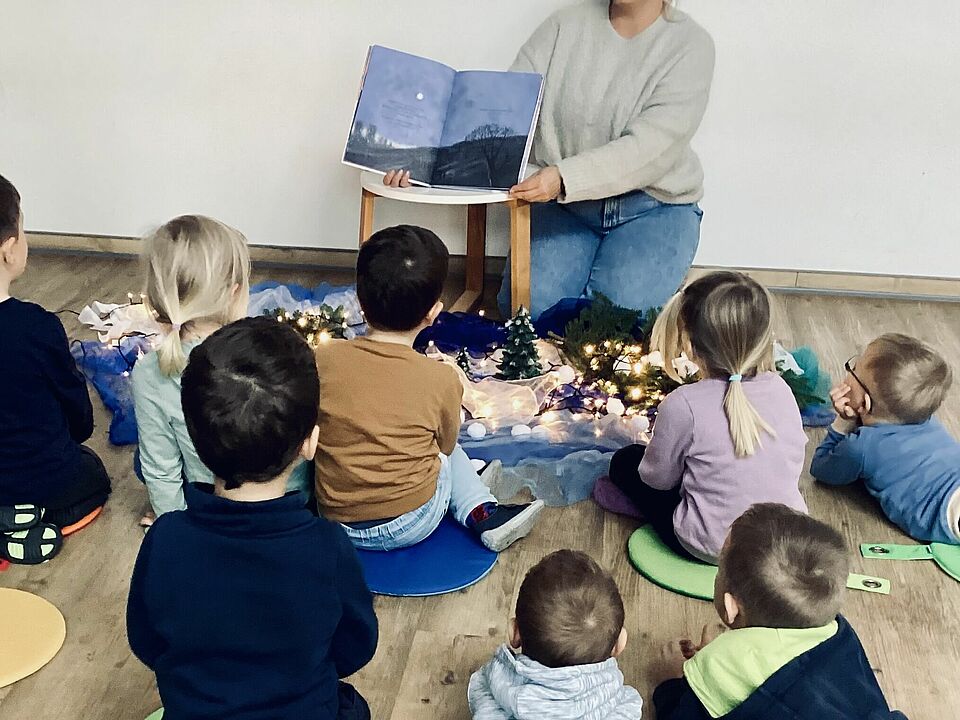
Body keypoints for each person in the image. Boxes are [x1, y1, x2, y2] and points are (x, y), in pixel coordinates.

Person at [386, 0, 715, 320]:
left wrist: (561, 177)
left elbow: (651, 147)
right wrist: (425, 161)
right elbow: (506, 111)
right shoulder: (563, 27)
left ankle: (656, 287)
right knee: (526, 312)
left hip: (652, 208)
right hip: (565, 208)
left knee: (616, 328)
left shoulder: (691, 45)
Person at [127, 317, 378, 720]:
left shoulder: (165, 538)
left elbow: (146, 641)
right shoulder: (326, 546)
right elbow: (356, 647)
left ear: (194, 439)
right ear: (310, 443)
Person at [314, 225, 543, 552]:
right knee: (446, 449)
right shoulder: (439, 379)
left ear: (360, 301)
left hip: (334, 521)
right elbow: (445, 446)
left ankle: (466, 489)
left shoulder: (325, 356)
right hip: (410, 521)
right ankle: (481, 509)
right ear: (434, 313)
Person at [606, 271, 807, 563]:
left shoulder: (682, 404)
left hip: (710, 546)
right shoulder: (781, 389)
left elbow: (656, 480)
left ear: (688, 343)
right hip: (782, 541)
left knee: (624, 461)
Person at [652, 503, 907, 719]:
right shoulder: (838, 633)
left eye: (720, 570)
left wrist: (670, 682)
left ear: (731, 608)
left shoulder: (719, 664)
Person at [0, 173, 110, 564]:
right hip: (43, 476)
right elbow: (78, 418)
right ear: (9, 249)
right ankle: (31, 516)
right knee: (92, 471)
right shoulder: (36, 326)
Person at [131, 215, 251, 526]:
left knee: (144, 459)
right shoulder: (264, 352)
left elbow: (160, 468)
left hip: (205, 504)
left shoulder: (148, 373)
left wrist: (172, 527)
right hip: (281, 504)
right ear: (233, 293)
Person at [811, 334, 959, 544]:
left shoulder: (861, 447)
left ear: (866, 403)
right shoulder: (926, 419)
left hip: (944, 510)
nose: (848, 373)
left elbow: (821, 468)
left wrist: (843, 422)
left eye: (853, 369)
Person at [468, 549, 643, 719]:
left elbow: (478, 693)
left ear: (515, 633)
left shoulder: (491, 684)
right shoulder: (624, 705)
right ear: (619, 644)